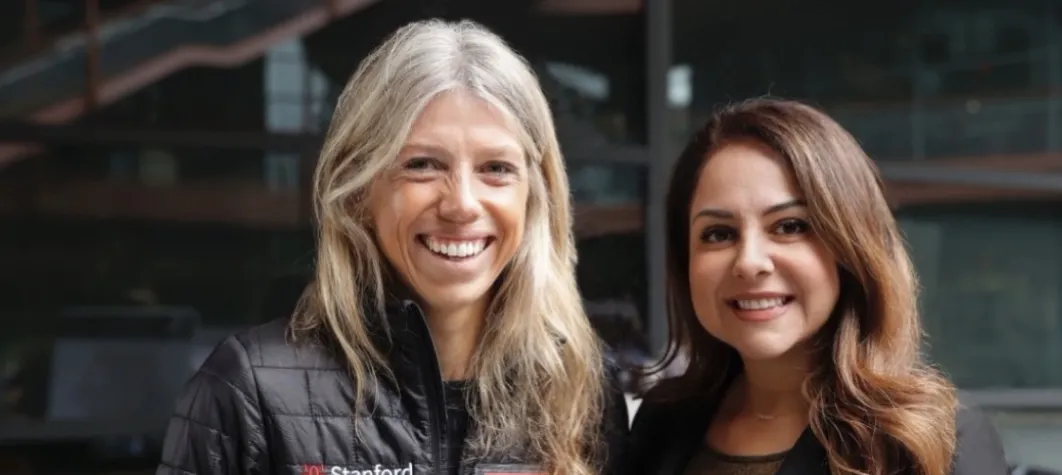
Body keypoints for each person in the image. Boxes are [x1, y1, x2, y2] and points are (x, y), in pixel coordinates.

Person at [157, 19, 627, 475]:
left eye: (496, 168)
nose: (462, 203)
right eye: (423, 164)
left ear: (535, 195)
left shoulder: (581, 387)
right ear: (359, 192)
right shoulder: (250, 392)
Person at [625, 98, 1008, 475]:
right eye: (719, 234)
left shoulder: (933, 440)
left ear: (852, 247)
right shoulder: (662, 423)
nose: (749, 262)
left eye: (790, 226)